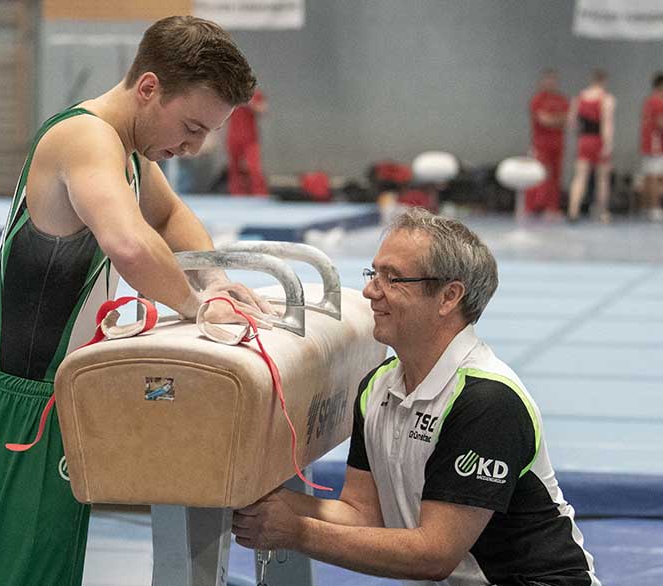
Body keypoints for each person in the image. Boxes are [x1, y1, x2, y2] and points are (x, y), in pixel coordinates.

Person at [0, 15, 273, 586]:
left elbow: (172, 216)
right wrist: (197, 306)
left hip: (62, 399)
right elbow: (128, 244)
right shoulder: (85, 138)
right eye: (191, 126)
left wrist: (215, 282)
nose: (194, 146)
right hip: (25, 407)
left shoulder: (130, 154)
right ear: (149, 87)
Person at [233, 208, 600, 586]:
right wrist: (244, 501)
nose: (371, 291)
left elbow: (433, 555)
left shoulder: (487, 402)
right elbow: (361, 514)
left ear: (449, 296)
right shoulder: (376, 388)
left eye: (393, 279)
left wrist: (297, 531)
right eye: (373, 273)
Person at [567, 70, 615, 223]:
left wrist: (579, 137)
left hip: (584, 140)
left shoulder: (579, 98)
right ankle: (603, 212)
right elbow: (607, 124)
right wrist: (607, 145)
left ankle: (572, 210)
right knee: (602, 179)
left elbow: (571, 122)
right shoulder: (606, 99)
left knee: (580, 177)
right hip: (598, 140)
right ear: (604, 82)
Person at [525, 69, 569, 217]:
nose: (551, 84)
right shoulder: (537, 100)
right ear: (543, 82)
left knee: (556, 176)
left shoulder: (562, 100)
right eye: (548, 80)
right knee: (539, 175)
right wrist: (557, 120)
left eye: (553, 81)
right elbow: (543, 120)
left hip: (557, 144)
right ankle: (534, 207)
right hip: (541, 144)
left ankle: (552, 208)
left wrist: (554, 120)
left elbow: (567, 120)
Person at [227, 88, 269, 196]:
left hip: (250, 138)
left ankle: (260, 194)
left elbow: (263, 109)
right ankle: (237, 194)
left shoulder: (254, 94)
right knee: (234, 168)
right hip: (233, 136)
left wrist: (249, 102)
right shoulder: (232, 93)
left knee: (254, 167)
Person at [639, 72, 663, 221]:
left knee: (648, 176)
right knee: (655, 177)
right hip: (656, 143)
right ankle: (654, 209)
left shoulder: (648, 101)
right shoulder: (659, 102)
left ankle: (647, 208)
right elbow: (661, 123)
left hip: (647, 143)